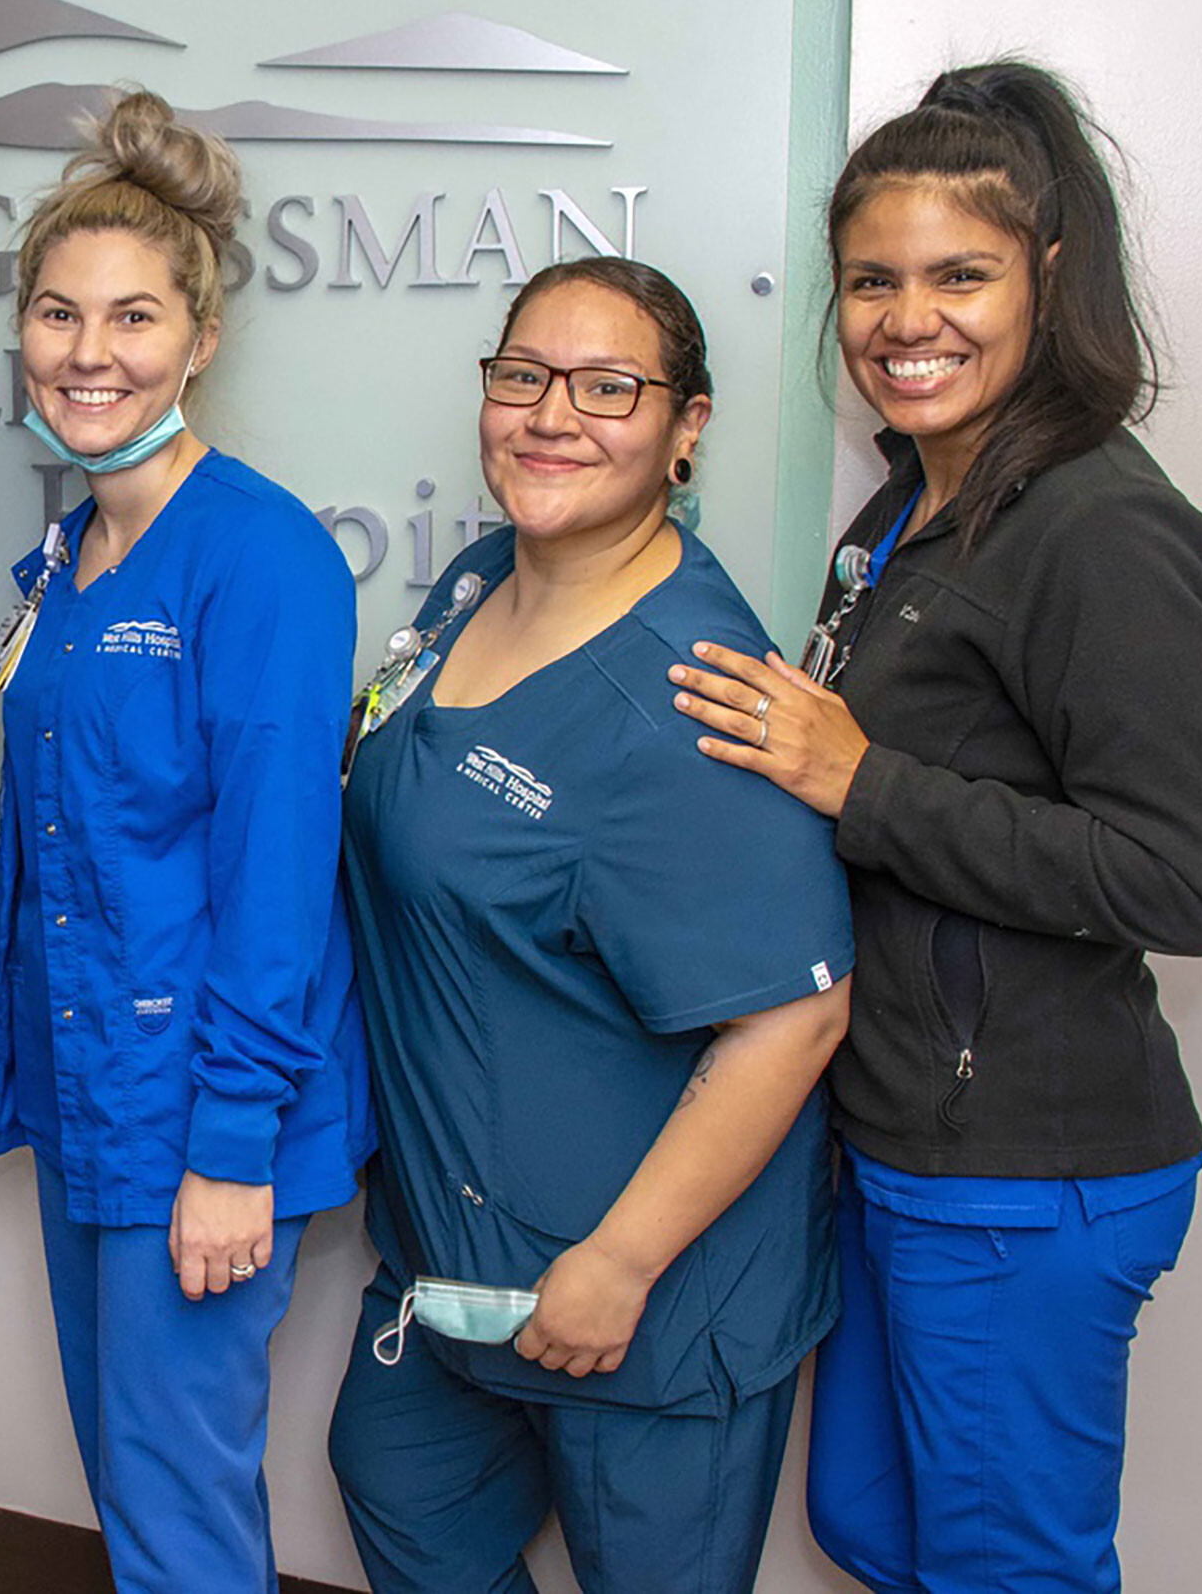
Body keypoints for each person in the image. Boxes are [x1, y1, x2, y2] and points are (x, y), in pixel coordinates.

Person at [669, 61, 1202, 1594]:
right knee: (869, 1524)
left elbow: (1184, 878)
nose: (905, 319)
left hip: (1023, 1163)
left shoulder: (1105, 530)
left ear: (1044, 281)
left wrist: (862, 780)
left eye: (958, 276)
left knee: (1007, 1570)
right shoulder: (903, 509)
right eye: (872, 280)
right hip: (892, 1129)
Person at [330, 258, 857, 1593]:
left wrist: (620, 1262)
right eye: (524, 376)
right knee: (396, 1480)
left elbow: (796, 1013)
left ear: (687, 430)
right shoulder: (470, 585)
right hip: (453, 1261)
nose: (553, 413)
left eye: (609, 387)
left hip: (651, 1302)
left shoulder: (697, 698)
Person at [0, 89, 370, 1593]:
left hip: (200, 1111)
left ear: (200, 341)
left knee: (181, 1505)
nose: (89, 352)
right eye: (58, 315)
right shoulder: (74, 551)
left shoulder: (260, 558)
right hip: (93, 1093)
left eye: (133, 318)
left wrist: (231, 1152)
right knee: (134, 1479)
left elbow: (279, 879)